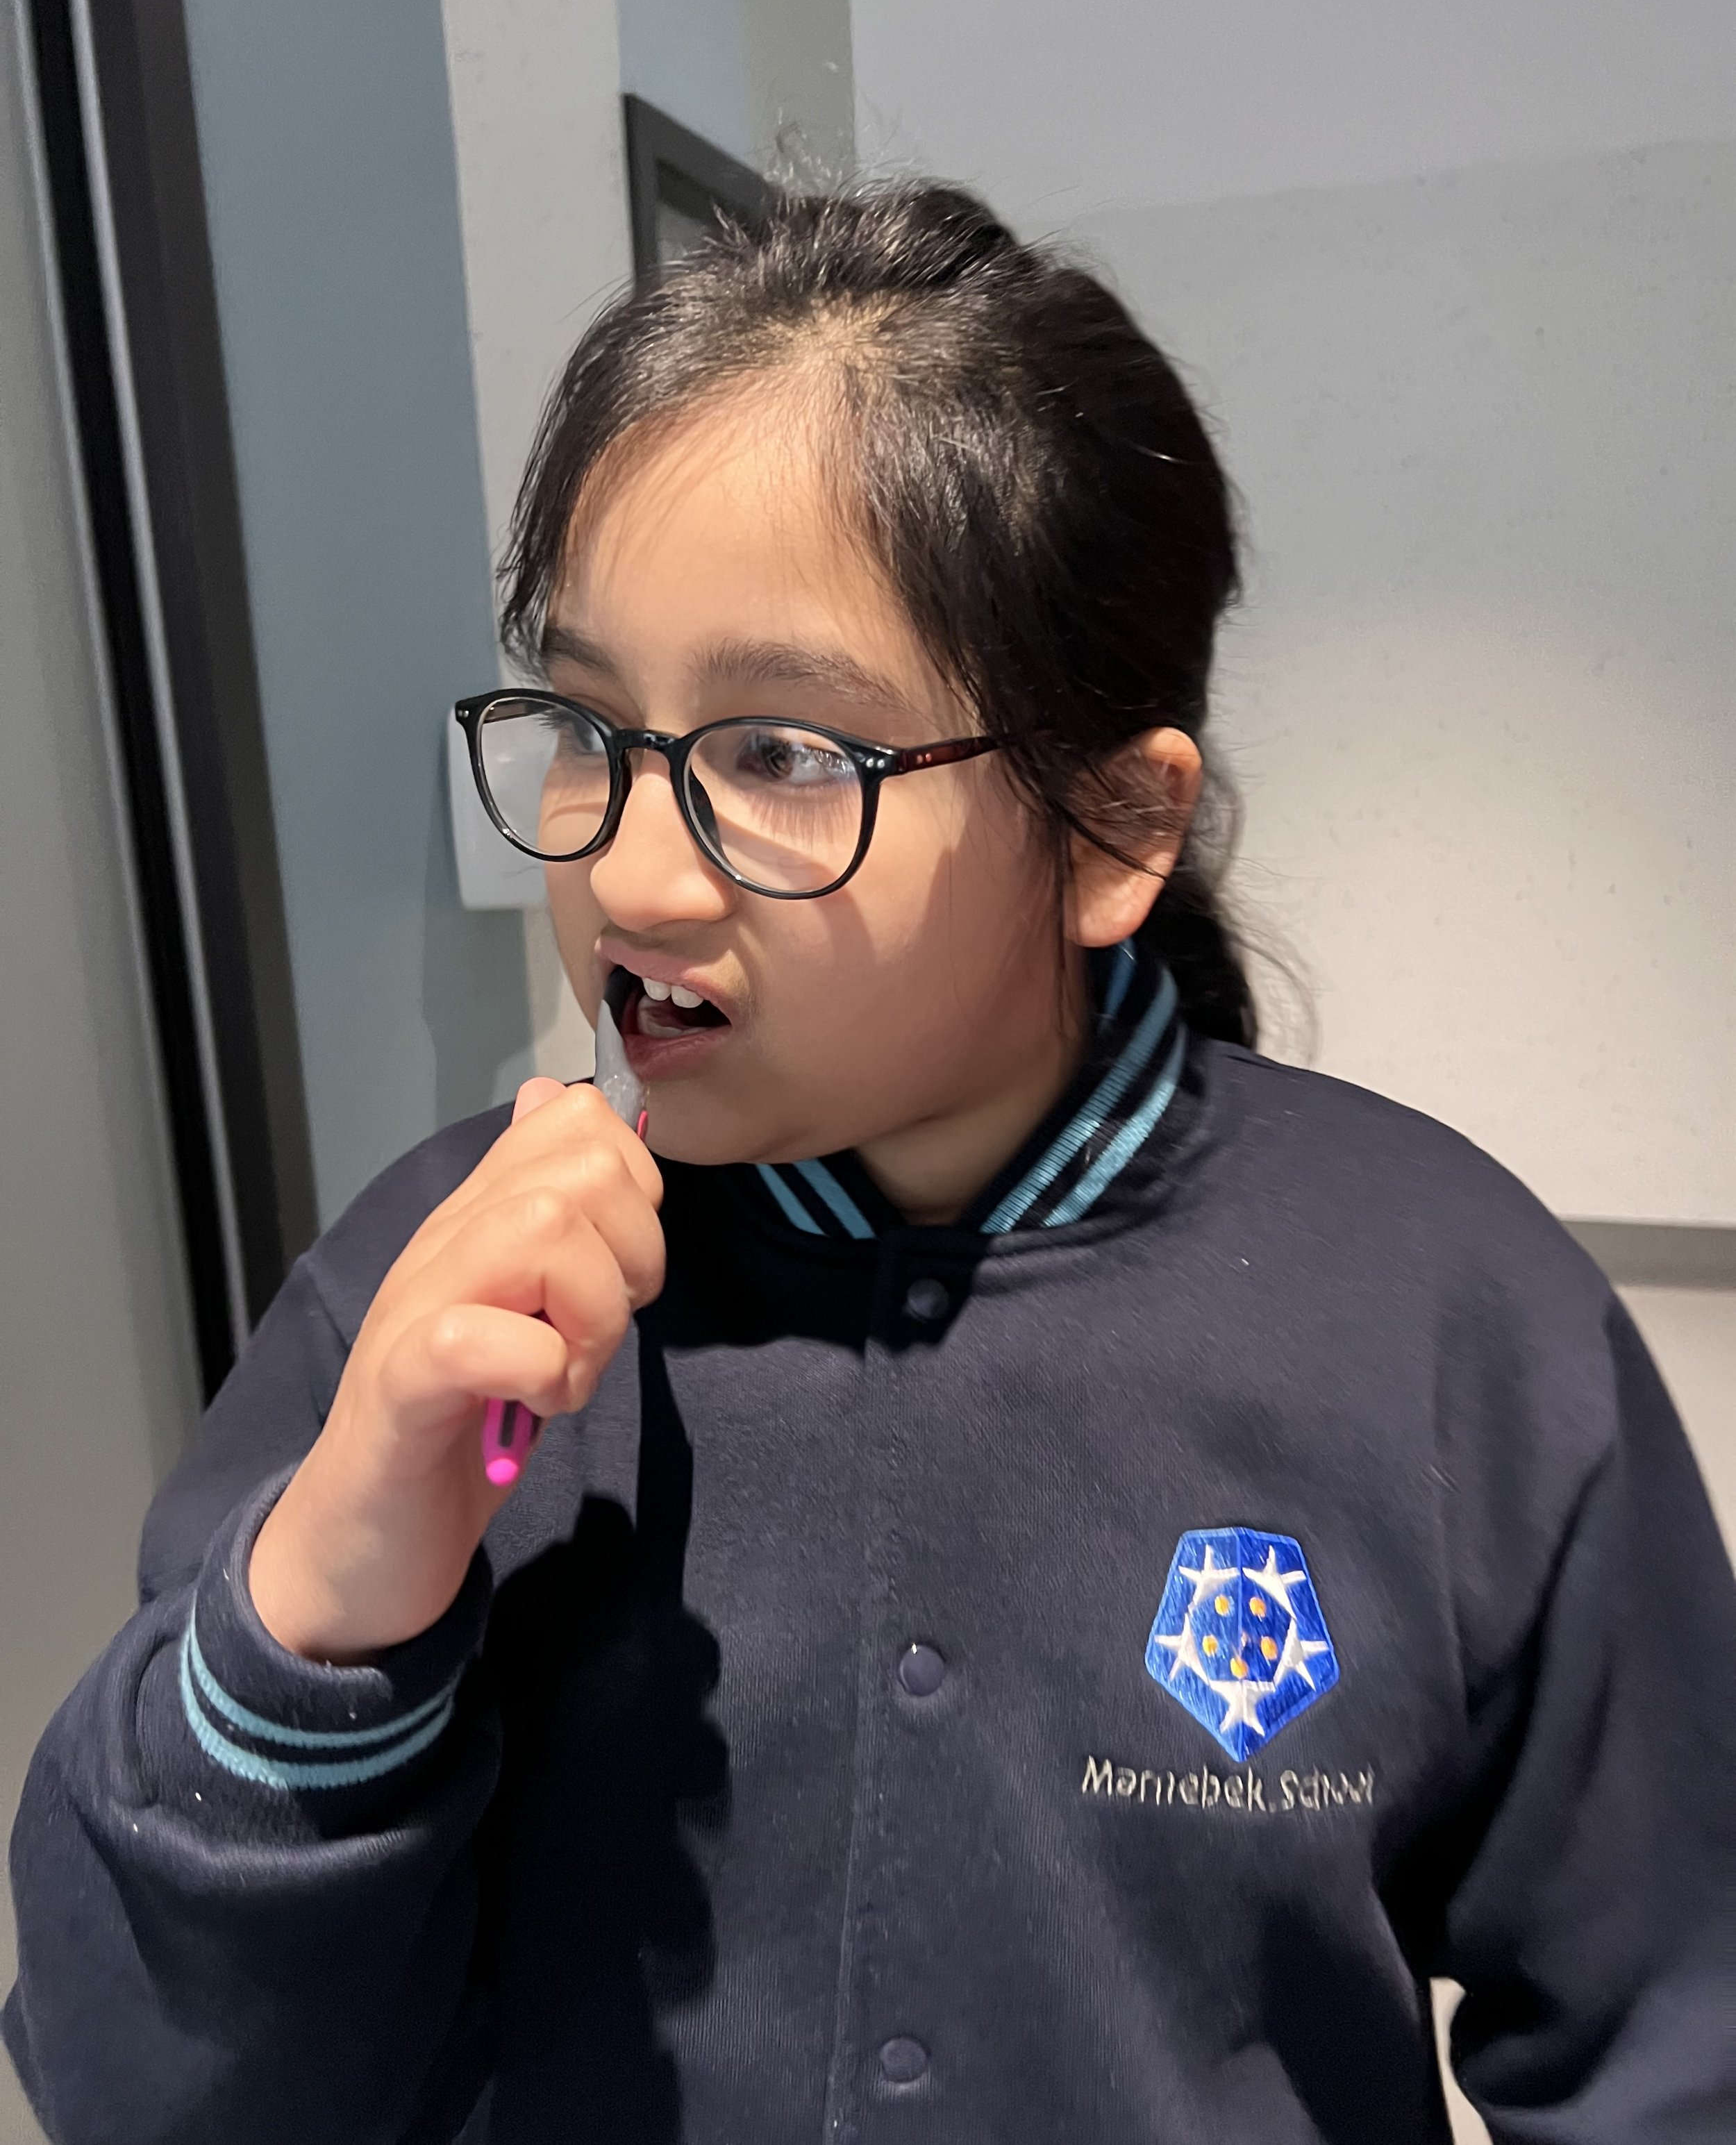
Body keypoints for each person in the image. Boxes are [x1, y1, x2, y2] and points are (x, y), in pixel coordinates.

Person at [5, 185, 1731, 2145]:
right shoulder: (441, 1292)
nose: (631, 874)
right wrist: (323, 1594)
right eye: (587, 724)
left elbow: (1678, 2050)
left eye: (783, 754)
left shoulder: (1444, 1320)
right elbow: (145, 2094)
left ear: (1112, 826)